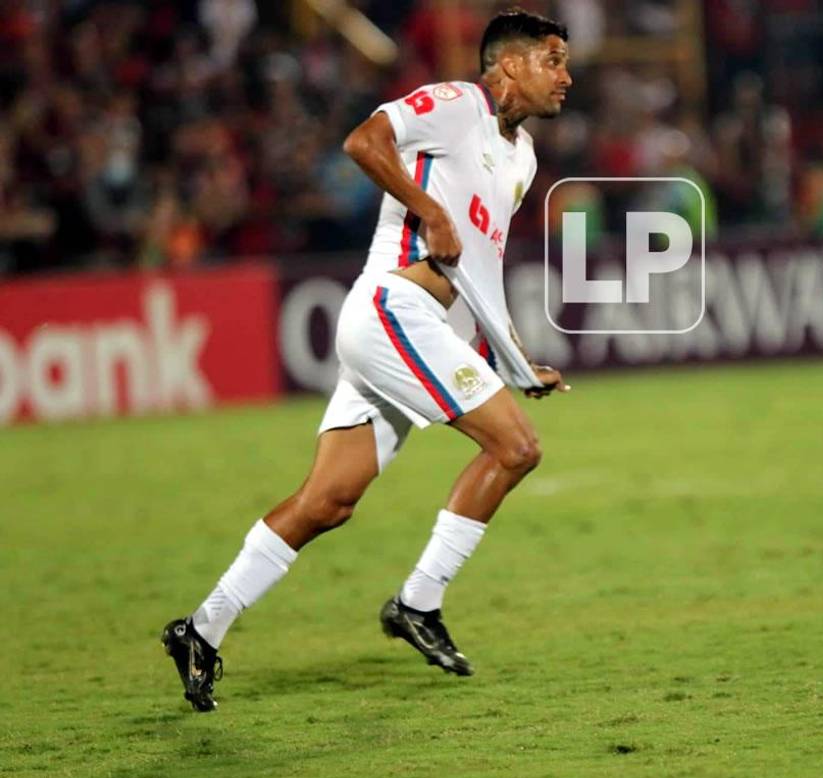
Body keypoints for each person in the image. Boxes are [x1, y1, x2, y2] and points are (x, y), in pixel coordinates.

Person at [161, 8, 573, 712]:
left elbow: (482, 268)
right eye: (553, 60)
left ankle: (201, 628)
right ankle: (419, 602)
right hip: (392, 310)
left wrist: (511, 357)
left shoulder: (524, 157)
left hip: (415, 328)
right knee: (516, 447)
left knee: (328, 501)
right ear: (507, 65)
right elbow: (364, 140)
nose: (566, 76)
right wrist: (427, 209)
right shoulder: (454, 106)